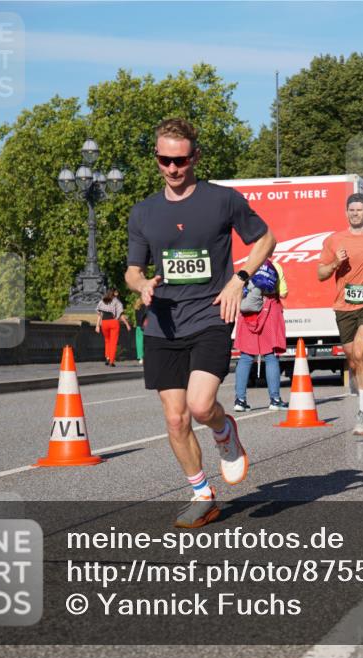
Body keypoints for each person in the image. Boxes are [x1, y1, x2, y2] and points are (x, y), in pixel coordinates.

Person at [126, 117, 276, 529]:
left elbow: (265, 238)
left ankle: (224, 429)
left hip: (211, 314)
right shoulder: (143, 212)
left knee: (199, 406)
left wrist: (239, 279)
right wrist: (142, 284)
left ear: (195, 157)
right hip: (162, 323)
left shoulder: (222, 200)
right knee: (175, 418)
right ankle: (202, 494)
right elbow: (132, 269)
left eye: (180, 160)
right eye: (163, 160)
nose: (172, 169)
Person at [318, 193, 363, 437]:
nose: (355, 213)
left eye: (359, 210)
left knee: (360, 352)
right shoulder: (334, 240)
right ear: (347, 213)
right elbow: (321, 273)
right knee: (353, 359)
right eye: (351, 210)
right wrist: (336, 263)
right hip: (344, 305)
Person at [233, 259, 290, 411]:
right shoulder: (275, 267)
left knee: (245, 357)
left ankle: (240, 400)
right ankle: (275, 400)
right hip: (269, 311)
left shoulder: (246, 265)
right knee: (271, 356)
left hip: (248, 313)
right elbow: (283, 293)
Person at [95, 289, 131, 367]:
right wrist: (127, 324)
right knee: (113, 342)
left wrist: (97, 325)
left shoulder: (102, 301)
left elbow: (100, 314)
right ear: (114, 293)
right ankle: (111, 361)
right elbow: (120, 315)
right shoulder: (117, 302)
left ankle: (107, 357)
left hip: (104, 323)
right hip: (113, 322)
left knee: (107, 341)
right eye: (116, 292)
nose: (117, 293)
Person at [134, 301, 147, 365]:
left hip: (138, 326)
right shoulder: (146, 307)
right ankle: (145, 357)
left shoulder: (136, 308)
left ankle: (140, 357)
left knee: (139, 343)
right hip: (146, 327)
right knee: (146, 342)